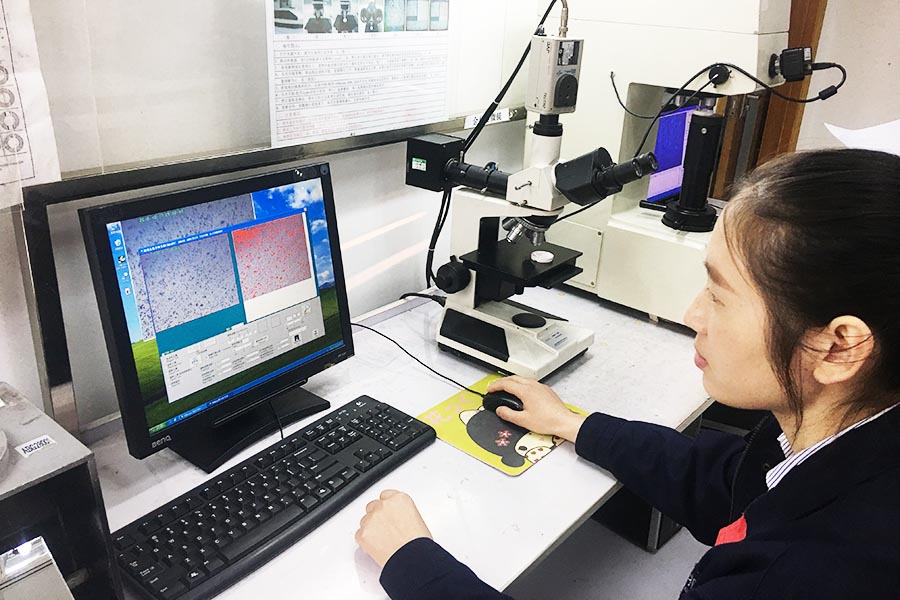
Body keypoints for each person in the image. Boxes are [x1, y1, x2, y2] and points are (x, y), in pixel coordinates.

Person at [355, 149, 900, 599]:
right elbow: (727, 482)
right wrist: (572, 423)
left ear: (838, 347)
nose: (692, 314)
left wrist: (413, 565)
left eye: (718, 295)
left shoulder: (808, 575)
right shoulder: (837, 445)